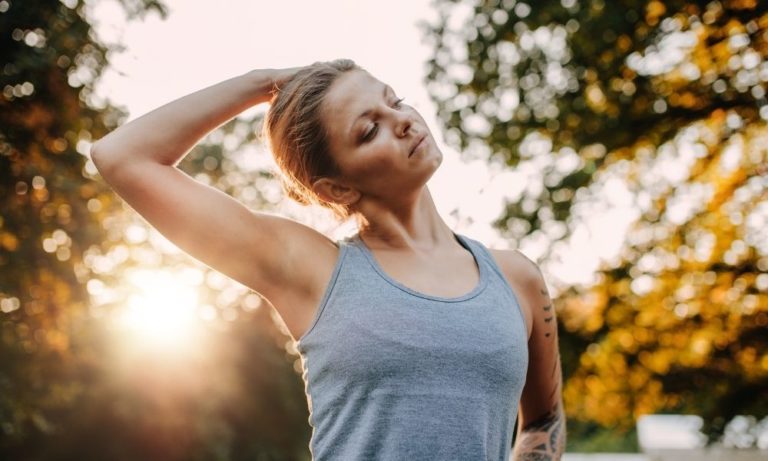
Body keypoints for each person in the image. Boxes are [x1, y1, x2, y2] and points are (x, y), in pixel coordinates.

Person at [91, 59, 566, 460]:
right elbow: (122, 156)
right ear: (337, 188)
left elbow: (544, 419)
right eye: (368, 129)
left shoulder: (516, 277)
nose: (401, 120)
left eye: (394, 100)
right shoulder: (312, 270)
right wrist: (261, 83)